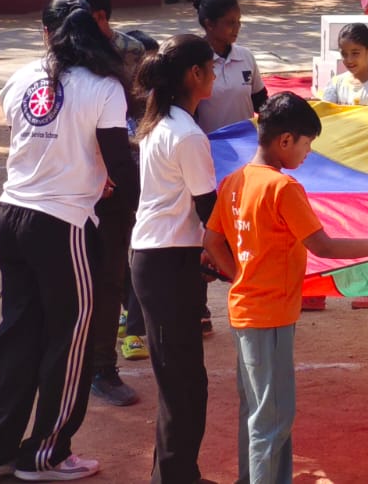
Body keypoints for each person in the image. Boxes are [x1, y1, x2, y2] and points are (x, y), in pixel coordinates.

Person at [0, 0, 138, 482]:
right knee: (71, 338)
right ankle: (46, 452)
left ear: (49, 33)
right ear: (97, 33)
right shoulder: (104, 86)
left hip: (12, 214)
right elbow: (118, 162)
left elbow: (28, 139)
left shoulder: (20, 78)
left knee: (17, 332)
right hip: (62, 223)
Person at [203, 94, 368, 484]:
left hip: (249, 308)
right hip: (269, 315)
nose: (308, 153)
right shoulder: (283, 188)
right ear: (285, 140)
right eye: (307, 144)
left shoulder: (234, 181)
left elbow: (212, 240)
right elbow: (324, 246)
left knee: (258, 412)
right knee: (271, 418)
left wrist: (238, 274)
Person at [130, 34, 218, 484]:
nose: (215, 75)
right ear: (194, 75)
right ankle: (175, 477)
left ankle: (178, 473)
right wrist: (234, 264)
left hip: (164, 257)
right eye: (210, 67)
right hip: (166, 261)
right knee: (181, 382)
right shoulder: (185, 134)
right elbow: (210, 211)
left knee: (184, 380)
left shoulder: (162, 123)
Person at [61, 0, 147, 407]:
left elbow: (147, 118)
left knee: (110, 278)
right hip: (71, 186)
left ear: (97, 17)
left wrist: (123, 169)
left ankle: (102, 367)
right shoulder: (60, 57)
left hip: (114, 182)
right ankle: (70, 365)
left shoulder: (135, 54)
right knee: (66, 280)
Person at [192, 0, 268, 135]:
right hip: (210, 146)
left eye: (239, 21)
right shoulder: (193, 62)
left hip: (246, 142)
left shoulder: (246, 56)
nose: (237, 27)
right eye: (230, 23)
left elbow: (261, 102)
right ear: (209, 24)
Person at [318, 23, 368, 106]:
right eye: (344, 54)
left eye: (355, 53)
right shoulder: (336, 83)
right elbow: (326, 113)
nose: (349, 60)